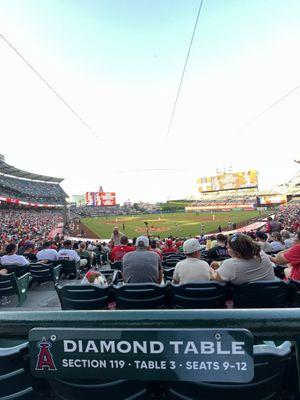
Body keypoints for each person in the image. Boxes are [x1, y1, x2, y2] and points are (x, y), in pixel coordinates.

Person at [211, 233, 276, 285]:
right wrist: (219, 263)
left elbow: (216, 277)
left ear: (236, 251)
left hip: (246, 299)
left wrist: (209, 268)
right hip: (272, 296)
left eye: (228, 246)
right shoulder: (261, 253)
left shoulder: (231, 264)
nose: (226, 247)